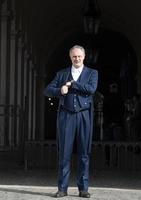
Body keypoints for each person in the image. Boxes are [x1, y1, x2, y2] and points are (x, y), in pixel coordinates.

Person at [44, 45, 98, 198]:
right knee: (64, 153)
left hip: (84, 115)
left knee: (84, 153)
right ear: (70, 57)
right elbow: (47, 90)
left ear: (84, 56)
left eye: (79, 56)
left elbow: (91, 89)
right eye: (74, 56)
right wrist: (60, 90)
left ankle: (83, 188)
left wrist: (74, 84)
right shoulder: (62, 74)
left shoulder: (92, 73)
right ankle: (62, 188)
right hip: (66, 116)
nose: (77, 59)